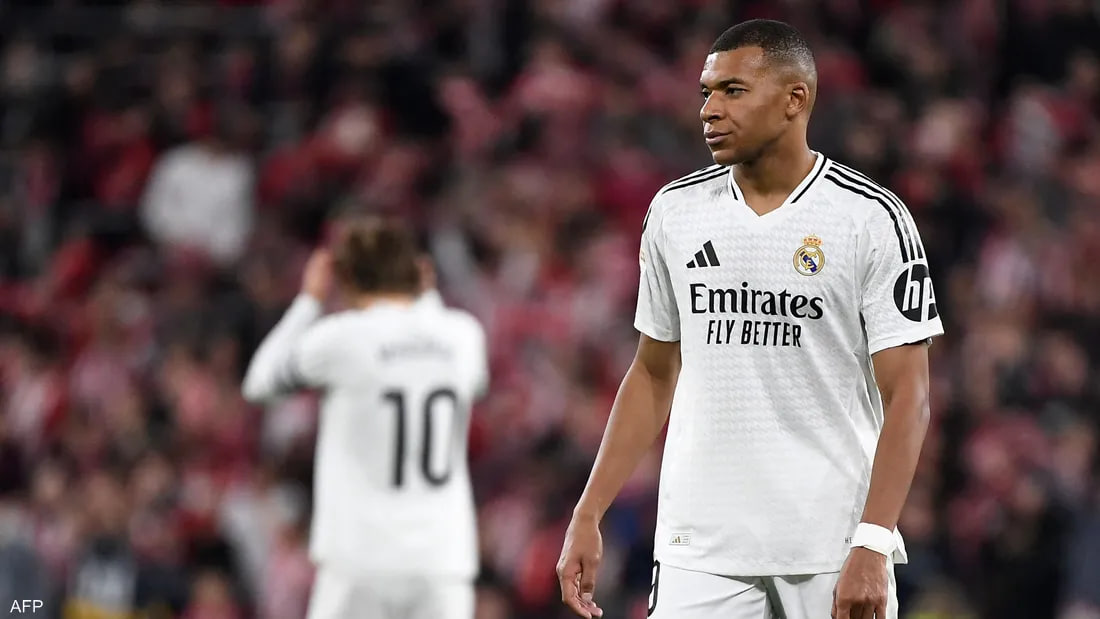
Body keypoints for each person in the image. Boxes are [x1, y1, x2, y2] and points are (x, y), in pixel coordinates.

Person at [556, 19, 943, 619]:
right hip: (699, 546)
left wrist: (873, 539)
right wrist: (588, 511)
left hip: (830, 545)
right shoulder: (675, 212)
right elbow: (653, 372)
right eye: (706, 93)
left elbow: (909, 393)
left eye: (733, 91)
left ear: (795, 99)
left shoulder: (869, 219)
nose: (709, 110)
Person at [242, 215, 488, 619]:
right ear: (418, 272)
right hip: (443, 563)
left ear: (346, 278)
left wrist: (308, 301)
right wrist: (427, 295)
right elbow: (473, 383)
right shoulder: (463, 335)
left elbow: (259, 383)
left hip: (361, 560)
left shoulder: (342, 337)